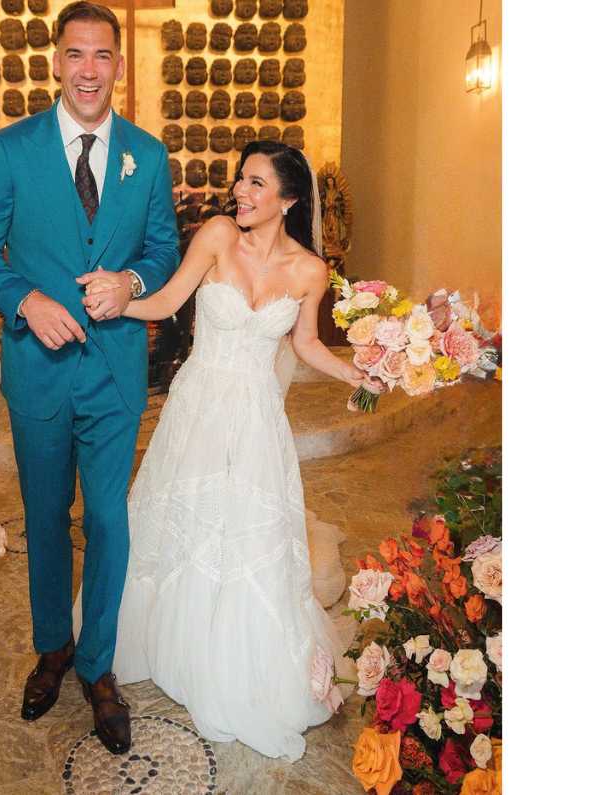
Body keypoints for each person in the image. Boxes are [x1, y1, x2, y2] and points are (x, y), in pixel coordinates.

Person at [75, 141, 374, 761]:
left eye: (257, 182)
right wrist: (120, 304)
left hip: (258, 419)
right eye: (241, 179)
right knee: (185, 523)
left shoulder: (310, 271)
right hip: (198, 408)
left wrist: (357, 374)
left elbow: (307, 343)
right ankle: (168, 639)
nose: (241, 190)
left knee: (245, 534)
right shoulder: (216, 235)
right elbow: (168, 301)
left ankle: (235, 654)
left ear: (289, 199)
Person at [0, 1, 179, 756]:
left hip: (114, 373)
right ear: (56, 62)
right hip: (39, 373)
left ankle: (97, 665)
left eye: (102, 55)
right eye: (76, 54)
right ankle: (52, 647)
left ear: (119, 65)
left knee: (108, 519)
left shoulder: (147, 156)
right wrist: (24, 299)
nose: (89, 70)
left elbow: (164, 250)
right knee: (46, 516)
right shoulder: (11, 149)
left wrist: (131, 282)